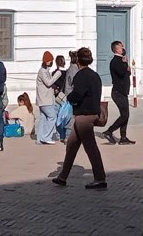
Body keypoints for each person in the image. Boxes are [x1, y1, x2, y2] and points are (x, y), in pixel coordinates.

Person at [52, 47, 106, 189]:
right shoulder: (95, 75)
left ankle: (100, 178)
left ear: (78, 60)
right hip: (93, 113)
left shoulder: (81, 76)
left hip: (84, 116)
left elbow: (77, 95)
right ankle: (62, 176)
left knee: (91, 148)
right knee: (71, 145)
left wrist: (69, 97)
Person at [102, 41, 134, 145]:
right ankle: (109, 131)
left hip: (123, 92)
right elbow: (121, 72)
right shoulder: (115, 61)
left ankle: (123, 137)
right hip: (118, 93)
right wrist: (125, 64)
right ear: (116, 49)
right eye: (121, 47)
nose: (123, 48)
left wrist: (127, 68)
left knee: (125, 115)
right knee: (124, 115)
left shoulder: (121, 60)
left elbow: (126, 73)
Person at [36, 51, 63, 144]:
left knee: (43, 118)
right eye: (50, 61)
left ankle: (40, 138)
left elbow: (48, 84)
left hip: (45, 99)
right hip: (44, 100)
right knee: (52, 117)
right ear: (46, 61)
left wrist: (55, 88)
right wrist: (58, 74)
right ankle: (46, 137)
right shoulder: (42, 72)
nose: (51, 62)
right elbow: (48, 82)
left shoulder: (46, 71)